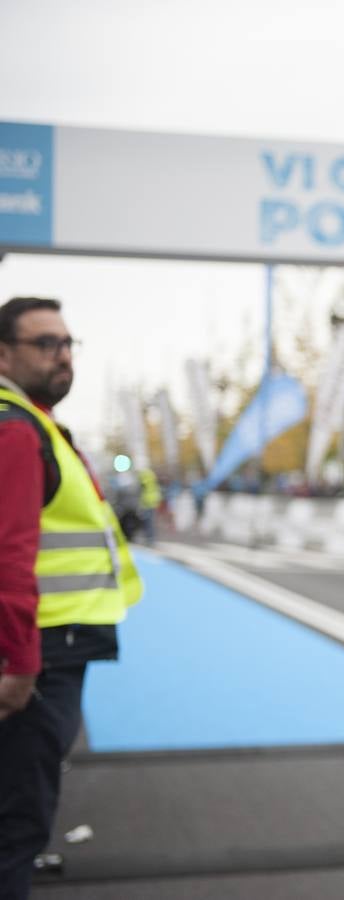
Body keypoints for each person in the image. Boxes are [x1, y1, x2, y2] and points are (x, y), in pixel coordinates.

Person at [0, 297, 142, 899]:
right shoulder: (15, 427)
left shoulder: (29, 422)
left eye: (67, 343)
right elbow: (9, 555)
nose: (62, 355)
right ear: (4, 354)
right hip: (38, 659)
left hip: (51, 646)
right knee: (17, 825)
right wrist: (20, 664)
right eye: (44, 343)